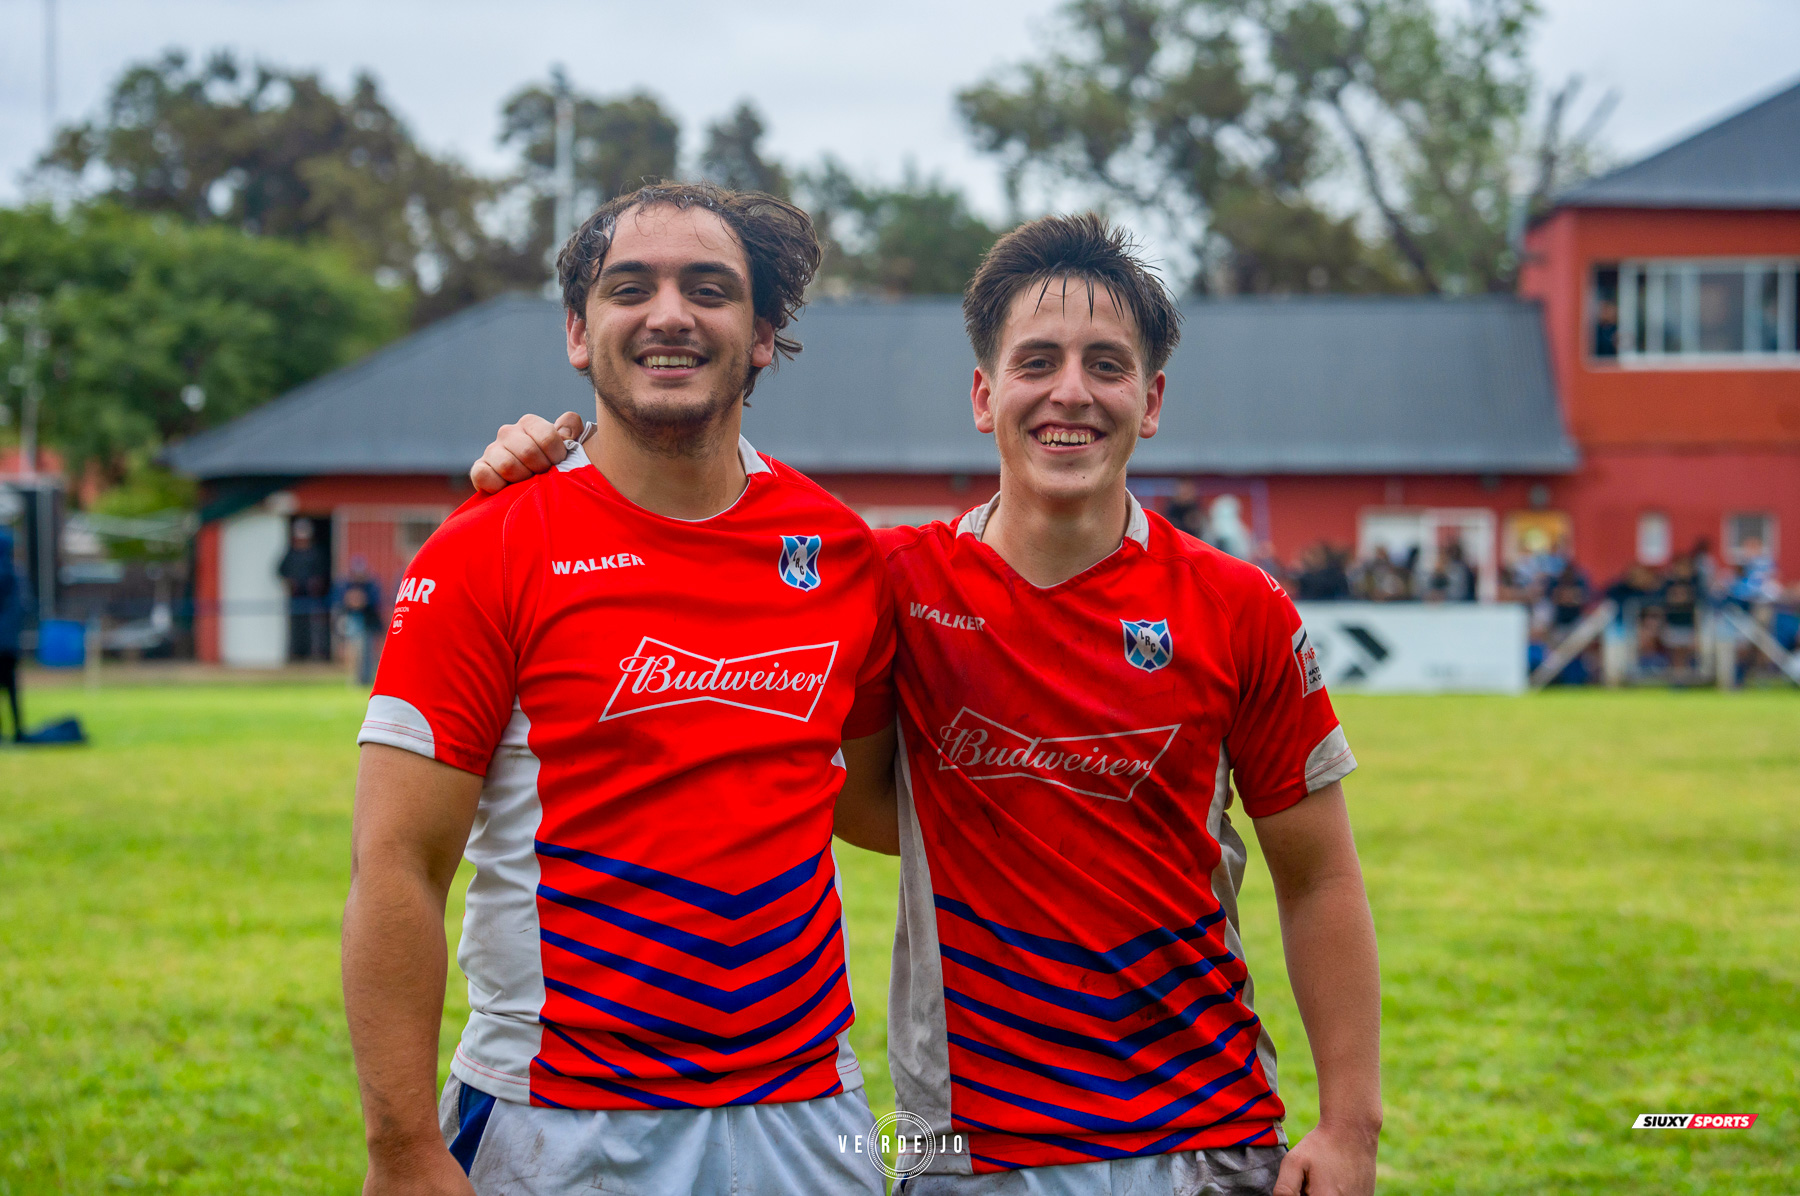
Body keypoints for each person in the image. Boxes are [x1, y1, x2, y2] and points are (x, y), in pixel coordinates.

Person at [479, 214, 1381, 1196]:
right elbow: (820, 754)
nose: (1070, 392)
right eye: (1037, 361)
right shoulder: (890, 581)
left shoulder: (1240, 605)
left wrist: (1349, 1123)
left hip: (1203, 1135)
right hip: (966, 1151)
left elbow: (1321, 876)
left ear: (1151, 398)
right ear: (985, 393)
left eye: (1107, 365)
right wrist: (549, 467)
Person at [343, 183, 897, 1196]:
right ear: (576, 330)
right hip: (555, 1118)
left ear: (764, 332)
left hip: (808, 1109)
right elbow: (396, 862)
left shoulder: (843, 552)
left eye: (711, 288)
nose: (670, 313)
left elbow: (876, 806)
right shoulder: (488, 546)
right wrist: (404, 1145)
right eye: (630, 287)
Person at [278, 518, 332, 662]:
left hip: (313, 598)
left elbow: (324, 572)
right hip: (296, 598)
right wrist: (290, 582)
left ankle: (316, 655)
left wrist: (316, 583)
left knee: (315, 627)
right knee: (296, 627)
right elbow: (281, 571)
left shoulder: (316, 553)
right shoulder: (291, 553)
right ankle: (296, 655)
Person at [332, 556, 383, 688]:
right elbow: (337, 600)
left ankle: (367, 679)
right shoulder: (345, 584)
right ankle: (353, 679)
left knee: (368, 652)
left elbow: (375, 601)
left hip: (367, 623)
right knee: (352, 652)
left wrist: (362, 600)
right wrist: (351, 600)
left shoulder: (371, 585)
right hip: (351, 623)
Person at [0, 527, 23, 742]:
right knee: (12, 687)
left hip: (5, 641)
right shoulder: (14, 574)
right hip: (9, 644)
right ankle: (18, 729)